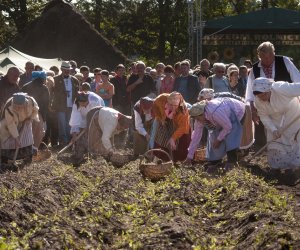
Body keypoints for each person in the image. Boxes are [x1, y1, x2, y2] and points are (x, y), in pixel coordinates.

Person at [245, 41, 300, 147]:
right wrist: (252, 107)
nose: (267, 60)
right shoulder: (255, 69)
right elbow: (250, 91)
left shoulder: (284, 61)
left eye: (269, 56)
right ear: (259, 56)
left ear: (273, 53)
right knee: (275, 137)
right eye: (263, 57)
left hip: (289, 105)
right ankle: (279, 161)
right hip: (271, 110)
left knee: (294, 136)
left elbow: (297, 80)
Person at [186, 97, 246, 171]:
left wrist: (218, 140)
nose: (197, 121)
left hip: (236, 111)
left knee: (230, 136)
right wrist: (189, 156)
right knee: (213, 136)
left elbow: (228, 127)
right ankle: (215, 161)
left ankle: (232, 161)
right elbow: (196, 137)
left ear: (202, 114)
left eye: (198, 119)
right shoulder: (199, 118)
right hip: (222, 118)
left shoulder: (215, 112)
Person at [253, 77, 300, 169]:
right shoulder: (258, 101)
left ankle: (296, 166)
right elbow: (264, 116)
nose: (261, 98)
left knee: (295, 138)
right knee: (275, 140)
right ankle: (279, 166)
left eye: (263, 95)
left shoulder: (281, 87)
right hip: (275, 119)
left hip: (293, 114)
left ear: (268, 90)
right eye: (259, 96)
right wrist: (273, 129)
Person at [0, 93, 39, 164]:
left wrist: (31, 118)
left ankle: (27, 158)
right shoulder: (9, 108)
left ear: (24, 104)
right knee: (8, 141)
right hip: (9, 124)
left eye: (19, 107)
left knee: (27, 138)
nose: (17, 108)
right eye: (16, 106)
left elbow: (35, 110)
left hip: (26, 121)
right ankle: (5, 160)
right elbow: (11, 124)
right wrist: (17, 139)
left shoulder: (31, 102)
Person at [151, 92, 191, 162]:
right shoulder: (162, 99)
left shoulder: (183, 111)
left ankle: (177, 161)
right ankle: (160, 158)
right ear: (168, 101)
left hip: (179, 126)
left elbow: (183, 127)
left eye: (175, 105)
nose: (173, 107)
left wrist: (173, 138)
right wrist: (161, 118)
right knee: (161, 138)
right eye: (171, 105)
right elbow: (155, 106)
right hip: (164, 120)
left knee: (179, 143)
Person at [69, 91, 104, 165]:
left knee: (94, 135)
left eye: (84, 104)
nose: (83, 106)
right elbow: (75, 120)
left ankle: (95, 153)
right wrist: (75, 135)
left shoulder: (95, 101)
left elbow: (97, 116)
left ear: (87, 101)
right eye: (81, 105)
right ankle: (79, 152)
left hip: (97, 116)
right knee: (80, 136)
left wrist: (89, 127)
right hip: (83, 117)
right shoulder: (76, 105)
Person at [51, 61, 80, 146]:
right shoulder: (55, 79)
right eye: (65, 69)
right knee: (62, 124)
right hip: (60, 106)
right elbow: (51, 93)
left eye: (68, 69)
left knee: (70, 124)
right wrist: (51, 104)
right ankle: (63, 141)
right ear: (61, 69)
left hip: (72, 106)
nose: (67, 71)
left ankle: (69, 141)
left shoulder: (75, 80)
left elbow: (78, 93)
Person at [21, 71, 50, 151]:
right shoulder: (44, 88)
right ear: (42, 79)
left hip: (26, 114)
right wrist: (44, 118)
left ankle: (25, 150)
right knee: (39, 132)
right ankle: (34, 149)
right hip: (38, 114)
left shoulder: (25, 86)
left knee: (27, 133)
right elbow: (46, 103)